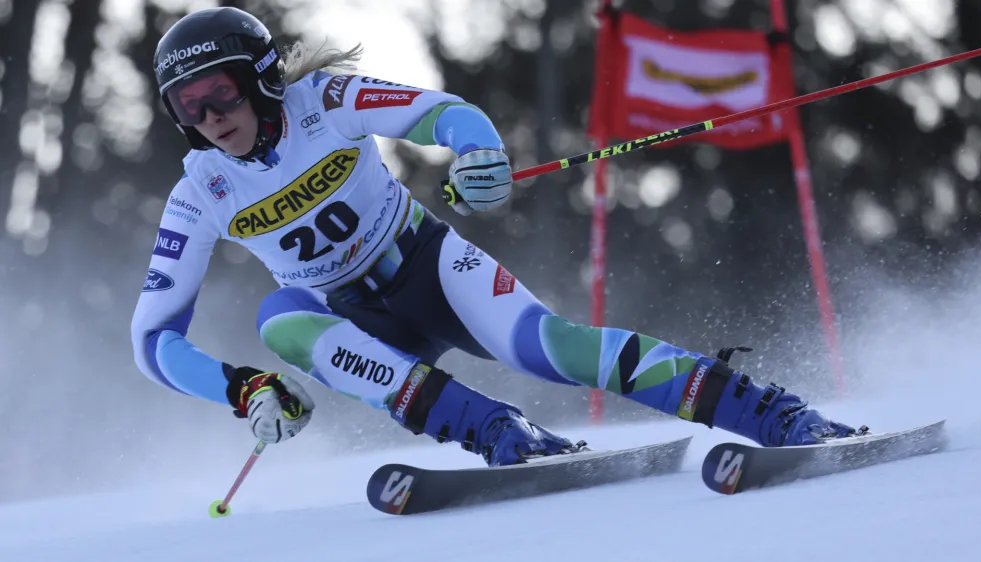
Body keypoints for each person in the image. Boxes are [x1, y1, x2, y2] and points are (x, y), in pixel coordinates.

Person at [130, 7, 861, 466]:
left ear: (259, 79)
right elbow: (153, 340)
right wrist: (244, 388)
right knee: (280, 320)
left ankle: (760, 408)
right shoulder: (201, 192)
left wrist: (477, 154)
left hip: (426, 264)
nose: (210, 117)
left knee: (552, 350)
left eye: (220, 92)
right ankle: (492, 431)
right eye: (187, 108)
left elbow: (446, 114)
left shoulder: (324, 98)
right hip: (356, 323)